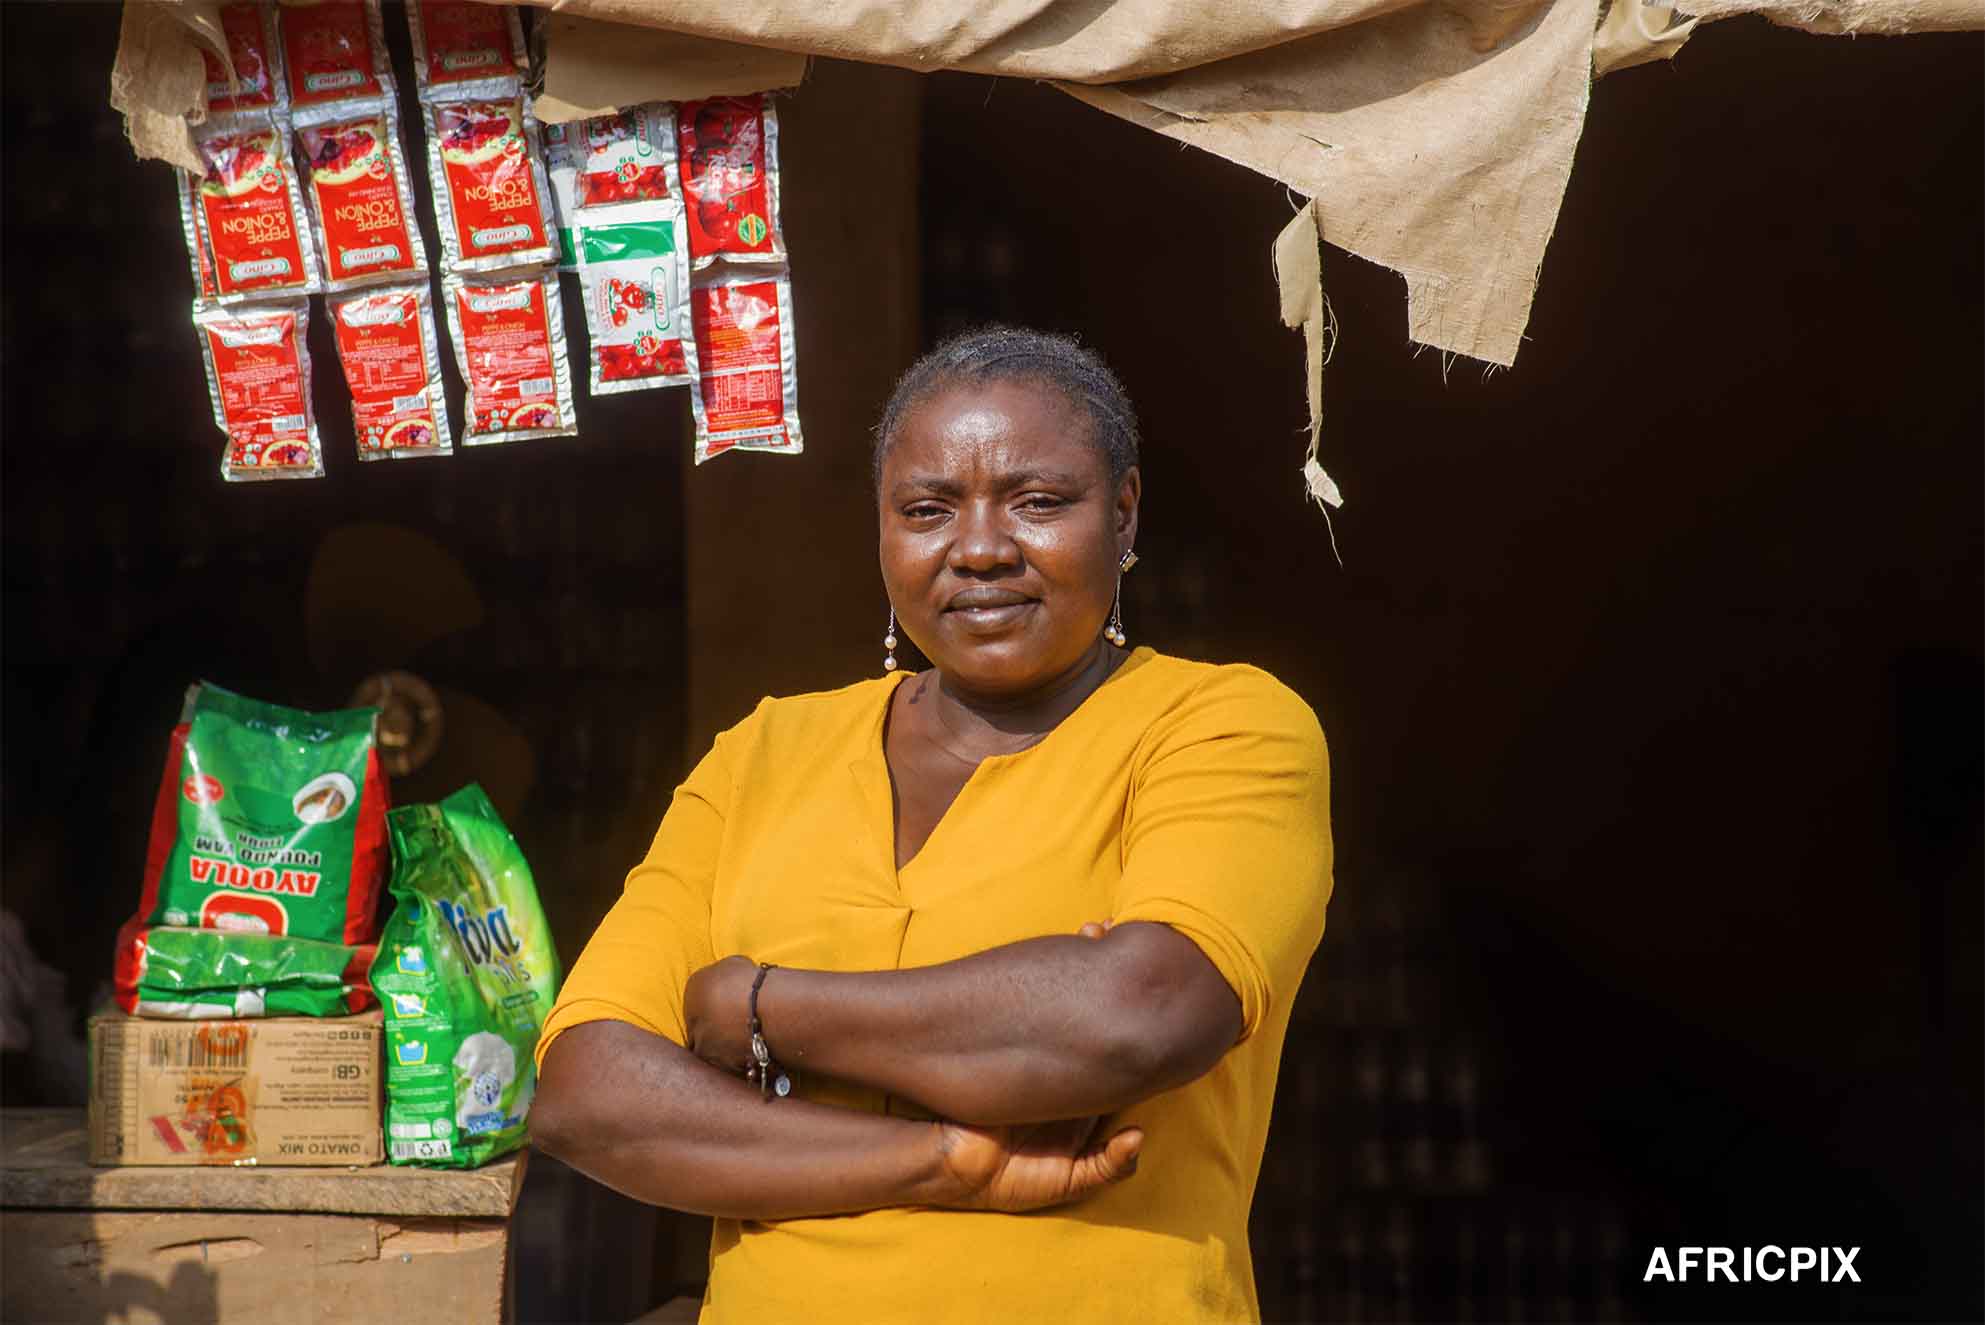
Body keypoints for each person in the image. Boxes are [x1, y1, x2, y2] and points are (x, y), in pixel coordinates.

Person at [532, 327, 1333, 1323]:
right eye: (926, 509)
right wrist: (942, 1158)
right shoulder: (764, 754)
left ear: (1122, 517)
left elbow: (1139, 1014)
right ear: (880, 531)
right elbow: (585, 1090)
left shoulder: (1220, 726)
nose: (982, 546)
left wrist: (755, 1007)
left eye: (1039, 501)